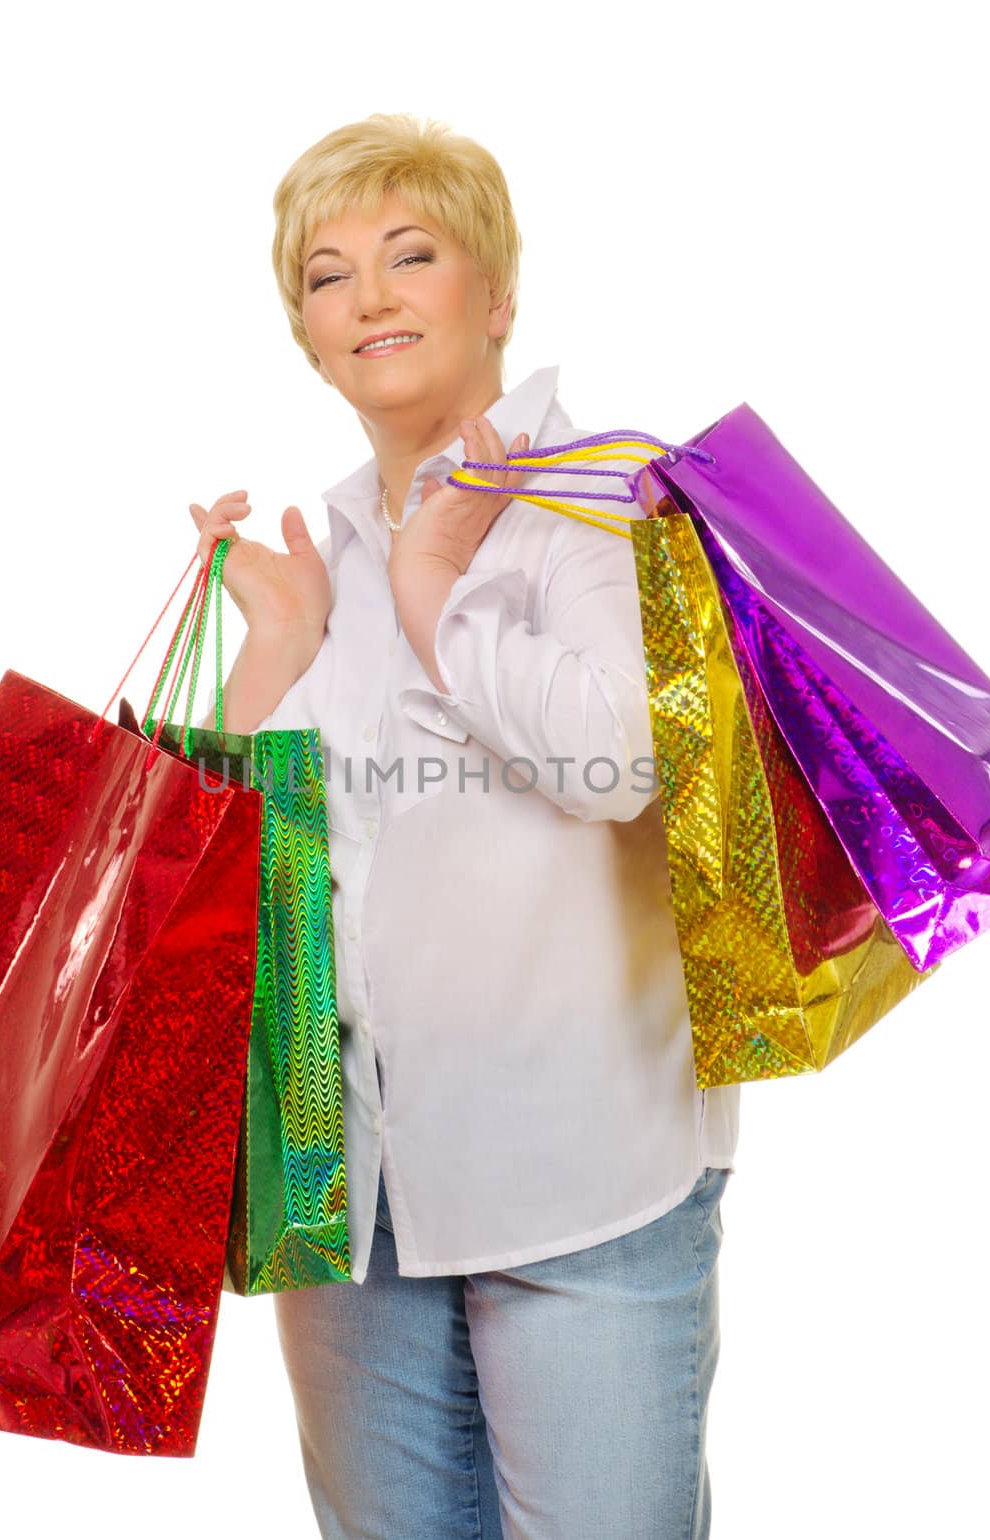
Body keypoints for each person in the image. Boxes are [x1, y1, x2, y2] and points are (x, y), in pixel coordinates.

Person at [186, 112, 740, 1540]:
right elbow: (248, 902)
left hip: (584, 1182)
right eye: (326, 275)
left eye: (409, 255)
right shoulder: (323, 551)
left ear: (495, 298)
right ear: (307, 336)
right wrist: (272, 661)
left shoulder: (609, 501)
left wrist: (440, 601)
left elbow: (622, 761)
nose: (367, 296)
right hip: (349, 1187)